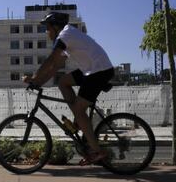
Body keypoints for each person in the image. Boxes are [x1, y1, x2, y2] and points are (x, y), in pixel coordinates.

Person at [23, 11, 114, 165]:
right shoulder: (67, 37)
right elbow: (55, 66)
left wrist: (35, 77)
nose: (47, 32)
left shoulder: (65, 35)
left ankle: (97, 151)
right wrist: (38, 83)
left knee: (79, 110)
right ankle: (78, 121)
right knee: (63, 82)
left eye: (48, 28)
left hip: (99, 71)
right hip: (91, 70)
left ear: (55, 27)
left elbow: (51, 59)